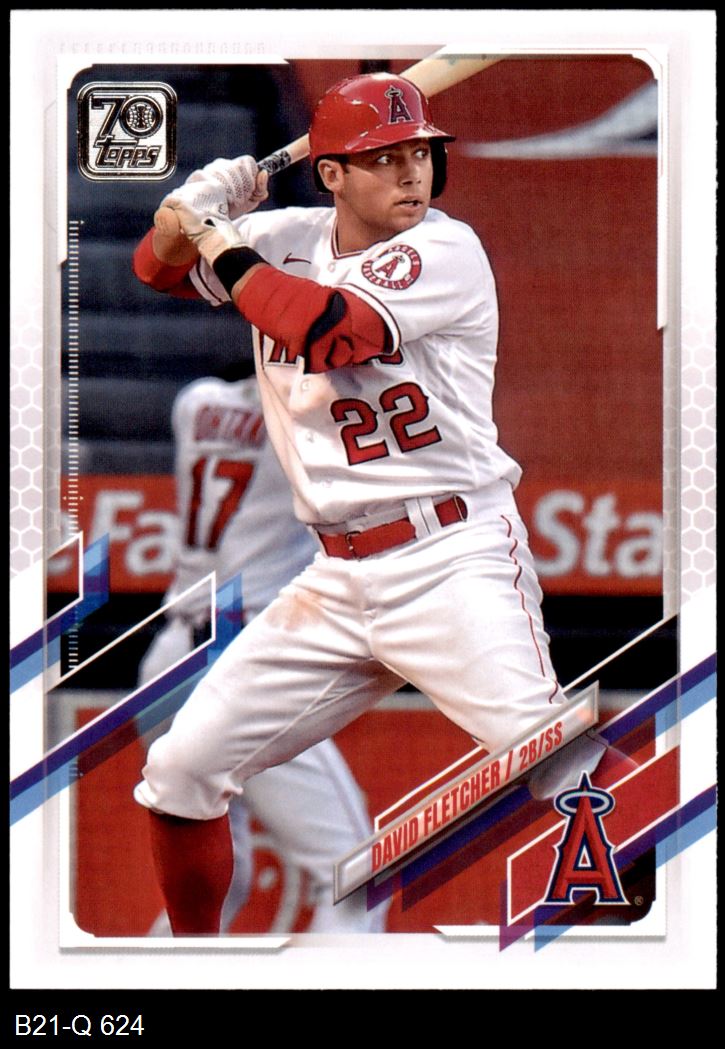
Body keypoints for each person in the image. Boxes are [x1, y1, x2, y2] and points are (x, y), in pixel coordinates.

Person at [132, 72, 637, 935]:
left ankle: (673, 927)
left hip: (449, 554)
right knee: (179, 772)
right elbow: (153, 268)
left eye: (420, 154)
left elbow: (326, 330)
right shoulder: (283, 238)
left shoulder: (445, 248)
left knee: (557, 760)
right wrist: (191, 209)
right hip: (332, 576)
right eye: (383, 158)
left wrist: (216, 235)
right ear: (330, 174)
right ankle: (188, 970)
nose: (411, 173)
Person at [137, 366, 387, 933]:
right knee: (354, 877)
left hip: (168, 659)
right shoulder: (312, 423)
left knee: (213, 890)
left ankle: (152, 979)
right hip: (240, 659)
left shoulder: (196, 400)